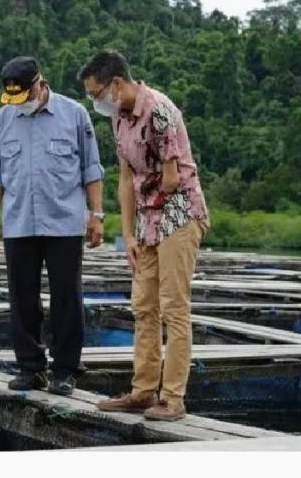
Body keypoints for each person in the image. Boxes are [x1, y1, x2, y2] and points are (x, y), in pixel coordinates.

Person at [79, 50, 210, 421]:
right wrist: (129, 234)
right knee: (143, 305)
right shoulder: (119, 118)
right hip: (149, 220)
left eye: (96, 92)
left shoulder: (160, 110)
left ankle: (172, 398)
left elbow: (170, 179)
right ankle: (142, 390)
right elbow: (124, 178)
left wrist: (148, 213)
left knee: (174, 307)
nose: (96, 101)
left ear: (116, 84)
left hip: (179, 214)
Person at [0, 56, 105, 396]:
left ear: (39, 84)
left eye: (24, 95)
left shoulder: (74, 114)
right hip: (19, 221)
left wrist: (96, 214)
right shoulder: (2, 118)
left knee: (66, 297)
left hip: (64, 222)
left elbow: (91, 169)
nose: (20, 104)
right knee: (22, 297)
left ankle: (65, 370)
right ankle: (30, 367)